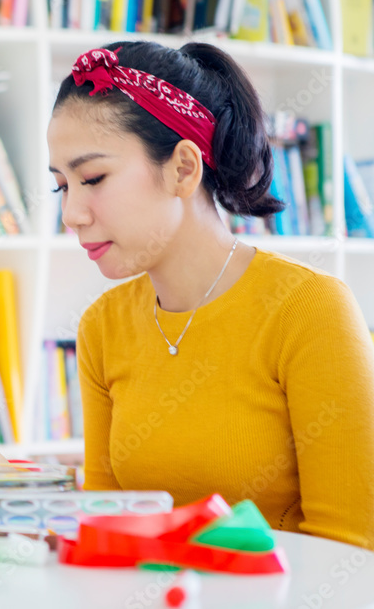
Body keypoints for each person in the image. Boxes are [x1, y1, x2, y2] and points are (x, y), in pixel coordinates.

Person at [46, 41, 374, 550]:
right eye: (61, 186)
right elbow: (107, 534)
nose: (72, 213)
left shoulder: (309, 311)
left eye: (92, 178)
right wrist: (5, 481)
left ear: (182, 167)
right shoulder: (102, 328)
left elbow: (353, 550)